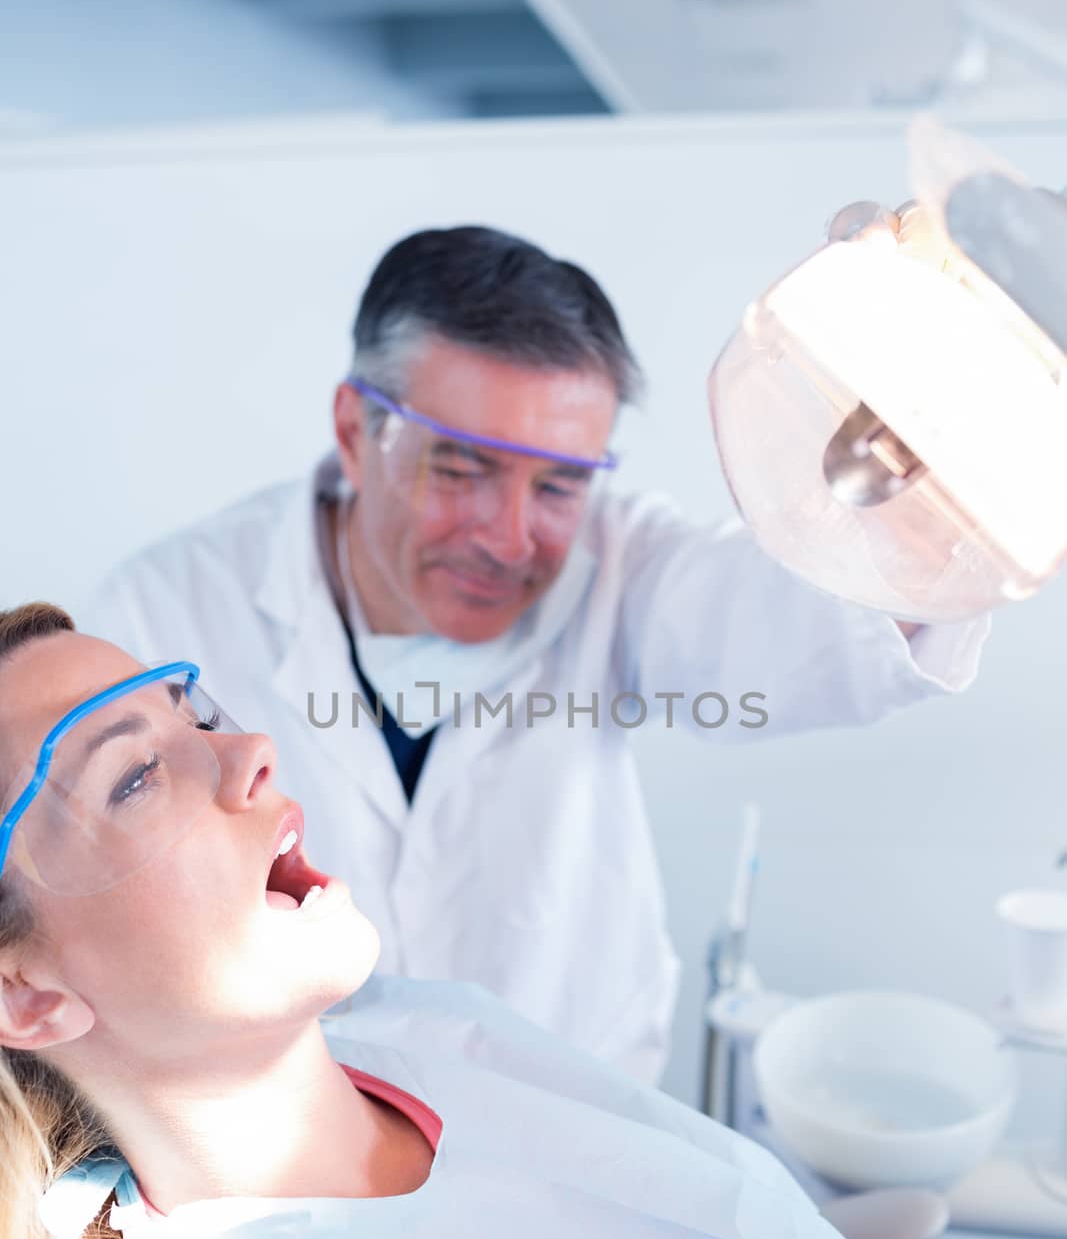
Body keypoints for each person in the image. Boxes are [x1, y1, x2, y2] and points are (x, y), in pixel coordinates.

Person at [1, 604, 1063, 1239]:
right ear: (26, 992)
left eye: (198, 714)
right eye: (135, 775)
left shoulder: (444, 1036)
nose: (248, 753)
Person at [84, 227, 988, 1083]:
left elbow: (809, 621)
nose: (511, 540)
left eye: (557, 484)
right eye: (462, 470)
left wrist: (933, 467)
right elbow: (92, 909)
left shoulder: (621, 564)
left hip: (571, 1125)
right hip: (273, 1153)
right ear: (358, 432)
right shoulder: (161, 612)